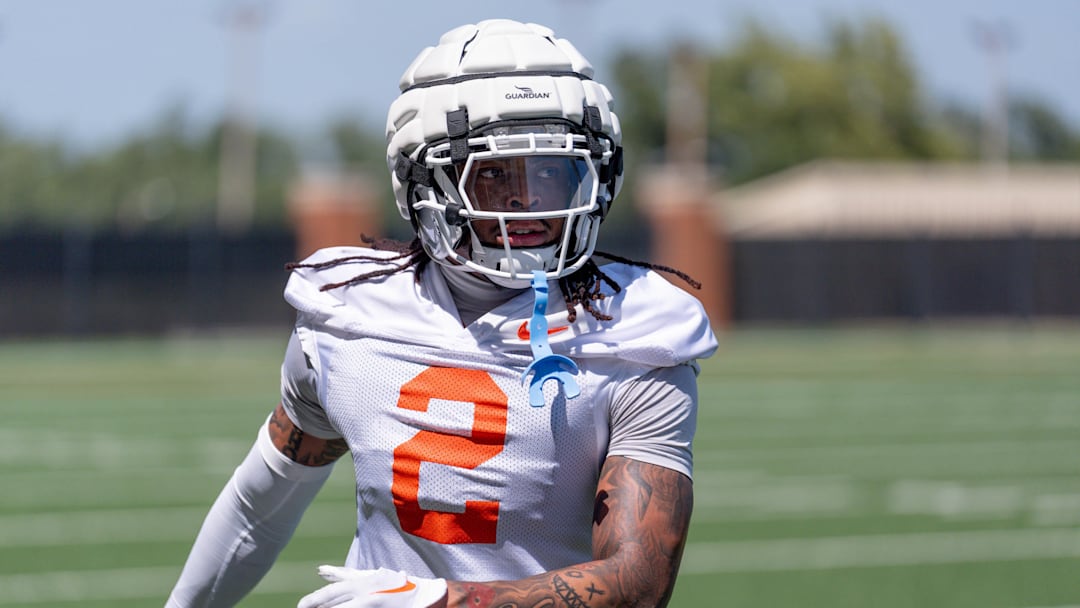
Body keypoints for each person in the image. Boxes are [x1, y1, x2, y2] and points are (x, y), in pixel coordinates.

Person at [166, 18, 717, 608]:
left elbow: (638, 585)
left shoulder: (634, 330)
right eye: (495, 173)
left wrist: (438, 601)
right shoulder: (346, 317)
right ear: (424, 182)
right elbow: (262, 500)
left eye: (553, 170)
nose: (526, 197)